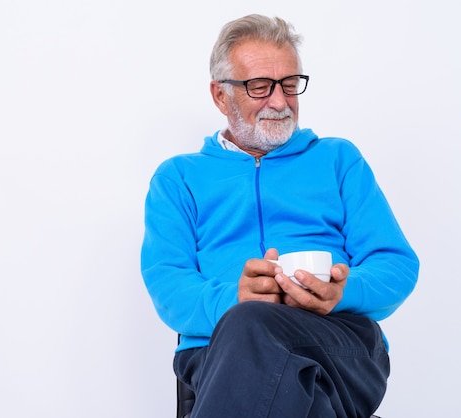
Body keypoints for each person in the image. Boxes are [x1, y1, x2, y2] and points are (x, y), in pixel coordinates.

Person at [140, 13, 419, 418]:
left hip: (340, 342)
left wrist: (344, 291)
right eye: (259, 86)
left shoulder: (338, 159)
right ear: (220, 95)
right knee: (261, 344)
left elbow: (396, 265)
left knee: (252, 329)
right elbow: (168, 284)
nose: (280, 101)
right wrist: (235, 298)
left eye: (290, 84)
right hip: (219, 349)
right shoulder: (178, 178)